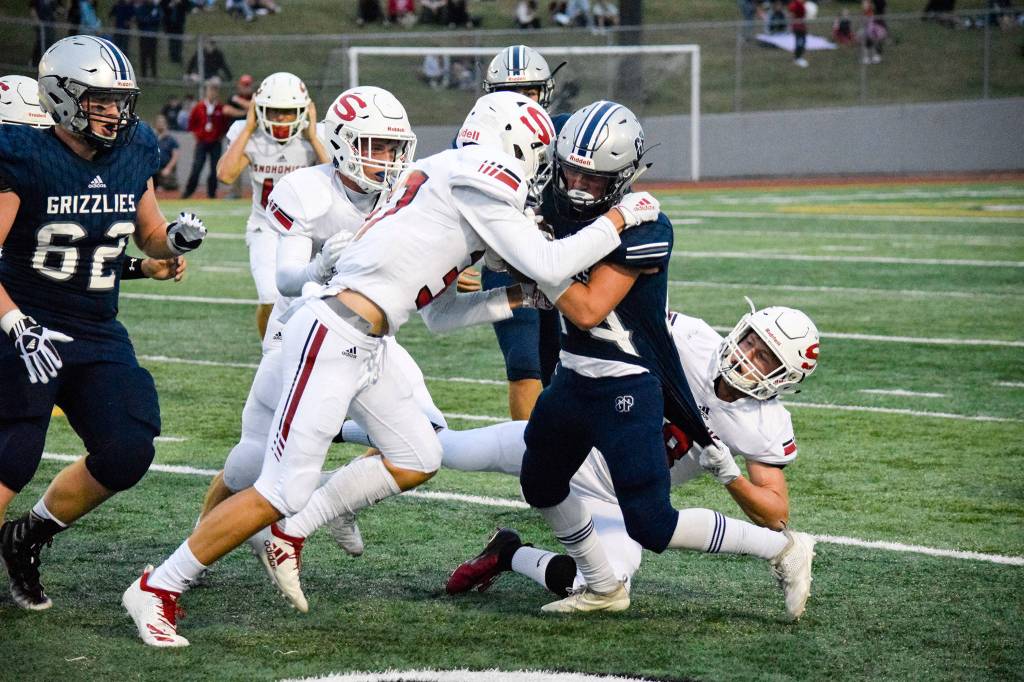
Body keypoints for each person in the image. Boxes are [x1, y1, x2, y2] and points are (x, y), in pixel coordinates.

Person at [122, 91, 659, 645]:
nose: (542, 171)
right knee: (281, 488)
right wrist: (620, 217)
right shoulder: (482, 173)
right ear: (516, 144)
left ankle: (296, 526)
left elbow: (439, 316)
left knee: (419, 453)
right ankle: (159, 586)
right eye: (541, 156)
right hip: (334, 331)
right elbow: (551, 261)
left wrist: (516, 298)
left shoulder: (451, 176)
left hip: (367, 340)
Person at [510, 101, 816, 615]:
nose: (578, 185)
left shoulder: (647, 226)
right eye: (571, 171)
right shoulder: (695, 337)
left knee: (650, 526)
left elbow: (588, 309)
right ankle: (602, 587)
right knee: (537, 483)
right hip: (576, 379)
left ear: (621, 177)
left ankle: (784, 551)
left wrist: (533, 254)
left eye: (593, 177)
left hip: (624, 388)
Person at [442, 302, 819, 619]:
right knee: (448, 450)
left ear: (783, 379)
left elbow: (776, 514)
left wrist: (731, 477)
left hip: (623, 501)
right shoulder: (690, 338)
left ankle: (508, 553)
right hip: (569, 444)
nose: (745, 355)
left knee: (604, 589)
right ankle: (406, 407)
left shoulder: (765, 423)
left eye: (763, 356)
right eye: (750, 340)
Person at [0, 36, 207, 611]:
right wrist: (15, 324)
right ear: (62, 98)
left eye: (121, 100)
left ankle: (26, 537)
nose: (116, 112)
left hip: (94, 327)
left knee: (127, 448)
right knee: (13, 454)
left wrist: (173, 241)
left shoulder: (134, 149)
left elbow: (149, 232)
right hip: (26, 322)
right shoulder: (23, 155)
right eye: (101, 100)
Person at [477, 45, 566, 421]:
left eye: (528, 92)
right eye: (509, 94)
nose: (519, 103)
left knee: (560, 366)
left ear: (544, 93)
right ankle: (527, 454)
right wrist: (461, 260)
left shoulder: (567, 132)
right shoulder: (476, 141)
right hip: (506, 266)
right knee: (524, 364)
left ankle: (557, 448)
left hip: (561, 264)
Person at [215, 72, 329, 341]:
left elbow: (334, 178)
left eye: (288, 112)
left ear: (303, 111)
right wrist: (248, 128)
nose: (280, 118)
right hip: (265, 227)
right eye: (274, 110)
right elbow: (225, 175)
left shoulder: (316, 135)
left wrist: (314, 138)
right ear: (259, 109)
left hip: (307, 230)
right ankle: (271, 352)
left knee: (314, 298)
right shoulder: (248, 134)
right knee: (269, 296)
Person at [182, 79, 228, 199]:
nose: (213, 92)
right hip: (202, 142)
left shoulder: (220, 108)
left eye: (215, 90)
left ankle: (212, 193)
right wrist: (198, 135)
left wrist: (219, 136)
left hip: (215, 142)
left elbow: (224, 125)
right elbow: (192, 123)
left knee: (215, 168)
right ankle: (188, 191)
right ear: (206, 91)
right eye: (210, 89)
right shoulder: (199, 107)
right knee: (197, 167)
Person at [136, 0, 162, 79]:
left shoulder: (156, 8)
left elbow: (158, 18)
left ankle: (154, 75)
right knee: (143, 55)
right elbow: (140, 19)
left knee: (153, 56)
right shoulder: (142, 8)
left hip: (153, 35)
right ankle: (143, 75)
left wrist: (149, 19)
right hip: (144, 35)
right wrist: (149, 19)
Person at [152, 114, 179, 190]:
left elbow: (175, 157)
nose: (160, 124)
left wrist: (168, 168)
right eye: (158, 122)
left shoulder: (171, 140)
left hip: (165, 168)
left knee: (169, 184)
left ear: (166, 124)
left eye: (162, 122)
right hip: (154, 169)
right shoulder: (152, 138)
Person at [162, 0, 188, 65]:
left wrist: (180, 3)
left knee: (179, 42)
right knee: (172, 42)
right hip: (170, 24)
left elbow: (187, 7)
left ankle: (178, 58)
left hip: (179, 24)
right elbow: (163, 9)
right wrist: (169, 6)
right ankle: (173, 58)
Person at [788, 0, 809, 67]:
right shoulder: (794, 5)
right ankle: (797, 58)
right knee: (799, 42)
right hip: (797, 27)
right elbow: (791, 15)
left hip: (802, 26)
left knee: (803, 42)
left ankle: (799, 57)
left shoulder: (801, 4)